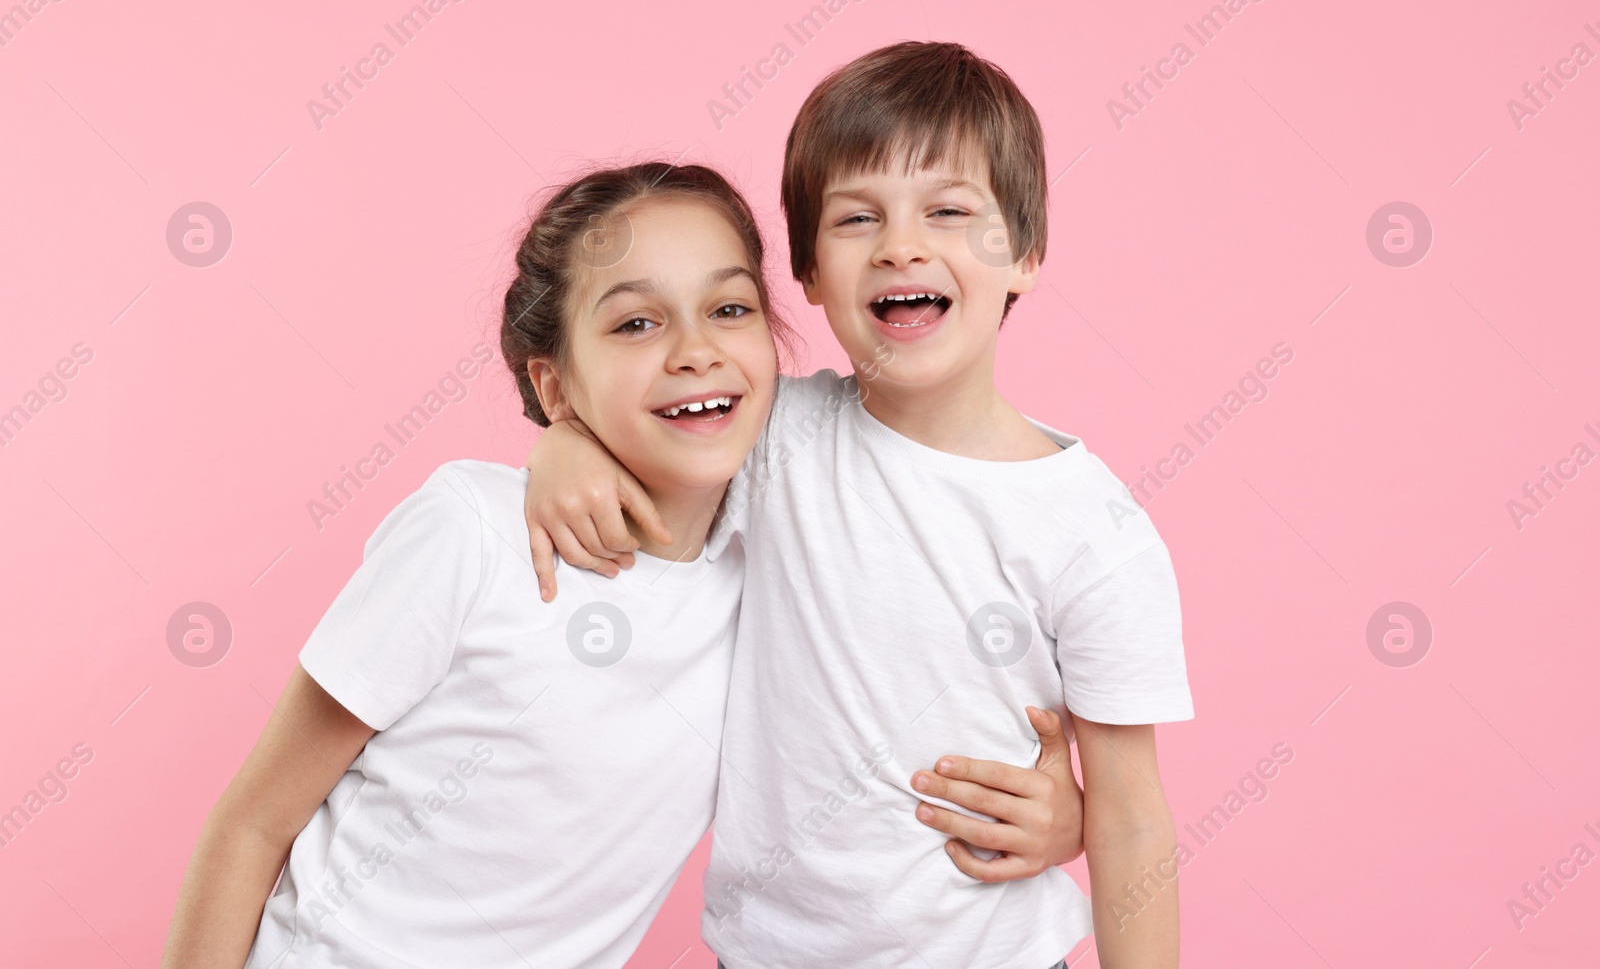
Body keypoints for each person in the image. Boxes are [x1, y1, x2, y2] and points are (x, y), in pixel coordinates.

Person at [161, 161, 1079, 969]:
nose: (693, 349)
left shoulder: (781, 564)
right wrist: (556, 444)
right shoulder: (472, 533)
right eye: (636, 323)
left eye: (729, 308)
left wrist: (1067, 822)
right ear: (553, 383)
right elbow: (251, 823)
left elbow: (875, 749)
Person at [521, 43, 1194, 968]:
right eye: (857, 217)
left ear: (1027, 254)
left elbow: (1132, 815)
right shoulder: (771, 438)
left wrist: (1074, 821)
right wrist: (560, 443)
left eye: (949, 211)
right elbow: (643, 425)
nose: (901, 245)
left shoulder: (1093, 530)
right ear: (804, 276)